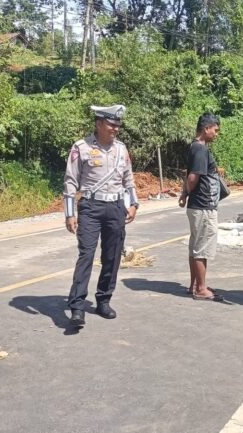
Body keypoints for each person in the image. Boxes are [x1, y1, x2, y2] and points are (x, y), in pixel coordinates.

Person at [63, 104, 139, 326]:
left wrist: (133, 204)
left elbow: (128, 179)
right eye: (111, 124)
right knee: (86, 254)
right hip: (90, 207)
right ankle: (77, 306)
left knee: (112, 256)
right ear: (98, 124)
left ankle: (104, 300)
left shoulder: (121, 149)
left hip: (115, 207)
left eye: (118, 125)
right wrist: (70, 214)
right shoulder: (81, 147)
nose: (115, 129)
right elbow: (70, 180)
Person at [178, 114, 224, 302]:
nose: (216, 134)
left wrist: (185, 194)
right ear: (206, 129)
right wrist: (188, 192)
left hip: (199, 205)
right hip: (203, 205)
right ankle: (201, 289)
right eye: (215, 130)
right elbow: (192, 177)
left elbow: (189, 174)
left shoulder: (195, 147)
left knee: (196, 245)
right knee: (202, 248)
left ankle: (194, 284)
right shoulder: (200, 149)